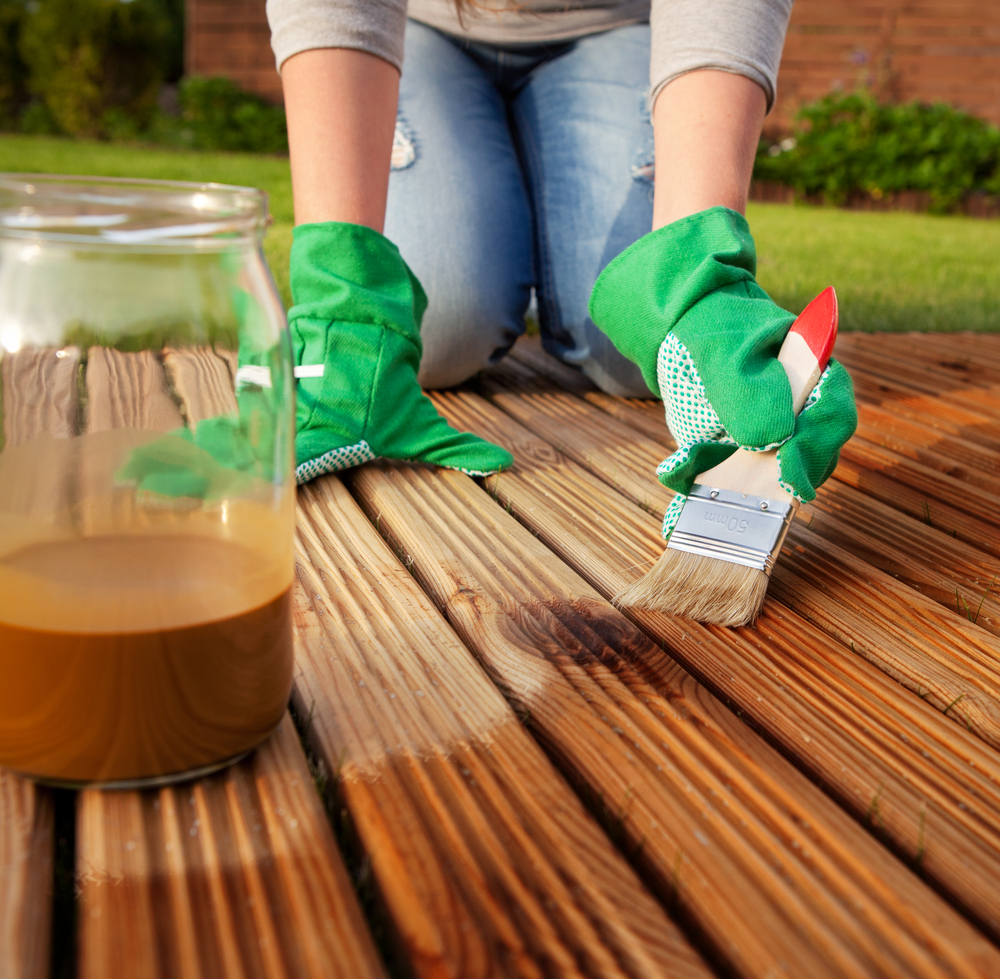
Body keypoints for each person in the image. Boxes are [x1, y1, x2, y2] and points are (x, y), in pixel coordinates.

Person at [266, 0, 857, 519]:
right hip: (419, 27)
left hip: (613, 25)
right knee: (444, 327)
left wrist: (694, 277)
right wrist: (346, 301)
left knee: (629, 353)